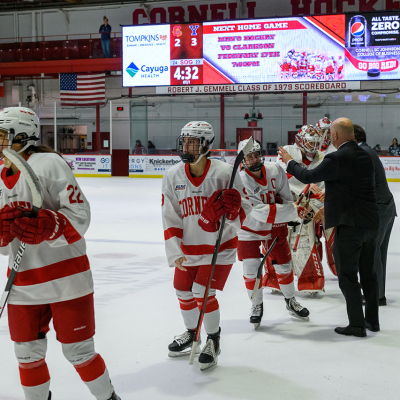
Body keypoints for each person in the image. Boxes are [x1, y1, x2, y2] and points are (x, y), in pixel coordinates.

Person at [0, 107, 120, 400]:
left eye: (2, 135)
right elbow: (4, 245)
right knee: (26, 355)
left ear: (22, 136)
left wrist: (51, 224)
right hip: (23, 283)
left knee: (79, 352)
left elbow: (80, 214)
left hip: (67, 279)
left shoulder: (48, 163)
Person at [278, 117, 380, 337]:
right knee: (369, 274)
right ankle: (372, 320)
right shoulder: (367, 155)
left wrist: (288, 161)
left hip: (350, 226)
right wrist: (331, 194)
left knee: (347, 276)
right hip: (371, 223)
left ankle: (356, 324)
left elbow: (307, 176)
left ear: (334, 136)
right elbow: (356, 186)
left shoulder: (336, 157)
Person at [162, 121, 251, 370]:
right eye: (185, 141)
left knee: (202, 292)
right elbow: (170, 214)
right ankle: (193, 334)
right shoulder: (172, 175)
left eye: (193, 141)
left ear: (206, 145)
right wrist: (175, 249)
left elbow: (245, 211)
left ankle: (213, 339)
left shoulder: (224, 173)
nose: (187, 146)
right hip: (189, 247)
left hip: (219, 247)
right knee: (182, 289)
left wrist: (230, 215)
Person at [237, 139, 310, 329]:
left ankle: (290, 300)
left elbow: (286, 198)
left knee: (284, 266)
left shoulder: (276, 170)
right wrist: (291, 210)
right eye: (248, 157)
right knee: (251, 269)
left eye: (255, 155)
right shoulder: (240, 180)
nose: (253, 159)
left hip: (275, 224)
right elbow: (259, 211)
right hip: (249, 227)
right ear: (242, 160)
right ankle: (256, 305)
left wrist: (287, 208)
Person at [276, 125, 326, 294]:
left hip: (308, 205)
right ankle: (276, 279)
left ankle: (310, 281)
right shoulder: (289, 151)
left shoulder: (321, 156)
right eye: (310, 143)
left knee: (306, 240)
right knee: (281, 241)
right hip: (289, 202)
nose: (313, 147)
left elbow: (321, 183)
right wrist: (306, 185)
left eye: (315, 143)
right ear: (301, 141)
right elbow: (281, 174)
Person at [354, 125, 397, 306]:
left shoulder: (362, 153)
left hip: (380, 209)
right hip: (386, 206)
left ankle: (376, 296)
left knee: (372, 253)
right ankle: (379, 294)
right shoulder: (367, 151)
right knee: (379, 253)